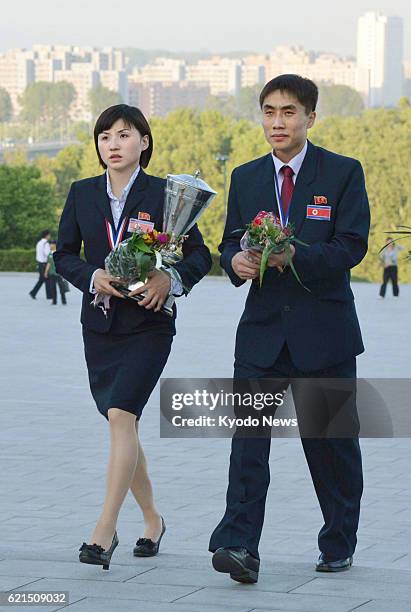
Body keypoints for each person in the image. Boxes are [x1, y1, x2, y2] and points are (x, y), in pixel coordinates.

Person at [209, 74, 370, 582]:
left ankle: (338, 540)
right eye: (269, 112)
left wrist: (296, 255)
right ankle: (238, 545)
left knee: (331, 446)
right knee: (248, 444)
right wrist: (234, 261)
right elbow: (230, 240)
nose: (278, 122)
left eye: (289, 112)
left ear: (310, 118)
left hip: (323, 334)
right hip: (260, 336)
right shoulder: (246, 176)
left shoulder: (342, 173)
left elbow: (352, 245)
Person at [54, 104, 211, 571]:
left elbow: (200, 256)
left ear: (144, 141)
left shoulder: (168, 194)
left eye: (124, 135)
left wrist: (171, 280)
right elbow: (64, 254)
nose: (113, 144)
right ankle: (153, 520)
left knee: (122, 412)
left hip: (149, 323)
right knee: (123, 423)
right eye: (104, 137)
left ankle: (104, 532)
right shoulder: (82, 193)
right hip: (100, 325)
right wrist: (92, 274)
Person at [29, 229, 51, 299]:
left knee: (44, 279)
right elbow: (47, 254)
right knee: (45, 279)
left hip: (39, 263)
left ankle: (34, 293)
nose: (50, 236)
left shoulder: (39, 243)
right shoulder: (46, 244)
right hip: (44, 264)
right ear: (46, 235)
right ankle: (34, 293)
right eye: (49, 235)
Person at [45, 241, 68, 305]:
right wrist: (46, 272)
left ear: (55, 245)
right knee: (52, 287)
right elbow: (48, 264)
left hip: (59, 273)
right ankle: (54, 301)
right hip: (52, 273)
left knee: (61, 287)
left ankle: (64, 301)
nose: (50, 246)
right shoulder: (50, 254)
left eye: (51, 244)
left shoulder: (58, 253)